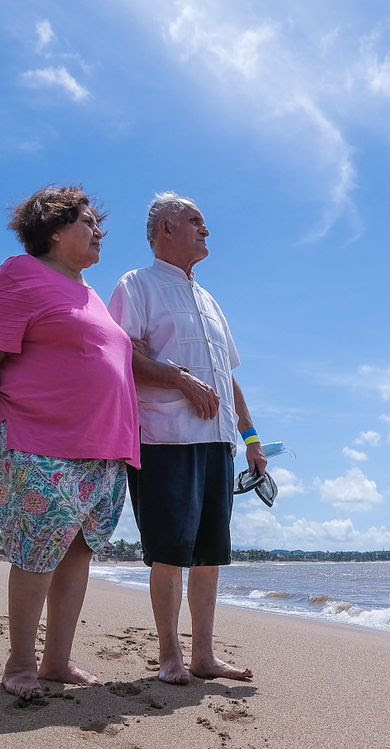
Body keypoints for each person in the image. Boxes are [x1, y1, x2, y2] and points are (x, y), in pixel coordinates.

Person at [0, 185, 139, 699]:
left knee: (78, 553)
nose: (99, 231)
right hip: (40, 440)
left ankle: (56, 661)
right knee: (36, 553)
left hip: (105, 450)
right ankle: (20, 664)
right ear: (55, 229)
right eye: (88, 222)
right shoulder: (19, 275)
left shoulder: (93, 296)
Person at [108, 193, 265, 684]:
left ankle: (204, 655)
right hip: (164, 438)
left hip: (219, 442)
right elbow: (119, 356)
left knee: (209, 554)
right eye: (195, 220)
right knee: (169, 552)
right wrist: (178, 379)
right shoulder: (137, 285)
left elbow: (227, 375)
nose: (206, 229)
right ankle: (169, 654)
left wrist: (253, 437)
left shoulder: (209, 299)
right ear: (164, 230)